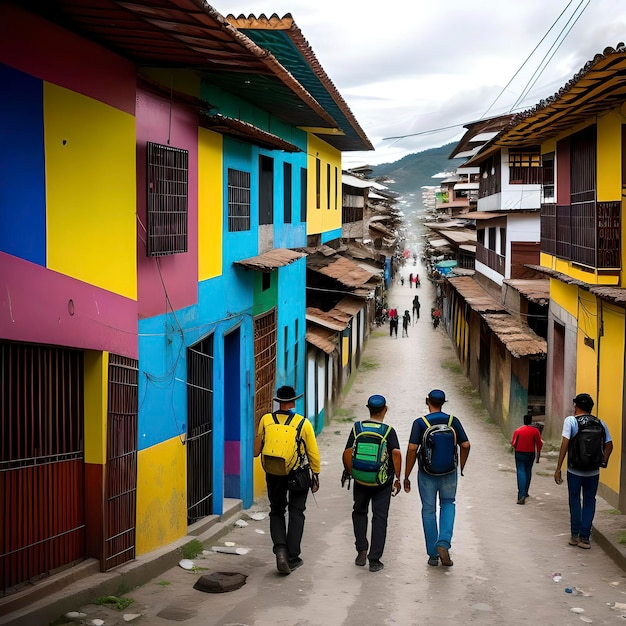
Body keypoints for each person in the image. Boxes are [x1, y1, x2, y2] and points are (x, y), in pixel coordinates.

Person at [254, 386, 321, 574]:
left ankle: (280, 550)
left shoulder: (266, 420)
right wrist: (315, 473)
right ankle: (293, 557)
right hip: (297, 474)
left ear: (278, 401)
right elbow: (313, 453)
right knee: (296, 512)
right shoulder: (303, 423)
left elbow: (256, 451)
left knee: (276, 511)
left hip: (273, 474)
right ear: (293, 402)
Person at [404, 389, 470, 567]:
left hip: (427, 473)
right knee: (448, 503)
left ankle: (433, 555)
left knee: (428, 510)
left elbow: (411, 449)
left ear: (427, 401)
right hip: (449, 471)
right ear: (444, 403)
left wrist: (406, 475)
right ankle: (444, 542)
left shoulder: (420, 423)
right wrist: (461, 466)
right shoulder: (452, 421)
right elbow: (465, 444)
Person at [343, 394, 402, 573]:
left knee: (359, 512)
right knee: (380, 517)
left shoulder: (357, 428)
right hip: (382, 482)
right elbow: (397, 454)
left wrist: (352, 473)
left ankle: (361, 549)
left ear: (368, 408)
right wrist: (398, 478)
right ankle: (375, 560)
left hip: (361, 479)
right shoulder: (388, 431)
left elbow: (346, 452)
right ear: (385, 409)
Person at [554, 393, 613, 549]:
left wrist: (558, 467)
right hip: (593, 472)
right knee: (589, 501)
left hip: (574, 470)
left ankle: (574, 535)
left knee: (574, 500)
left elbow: (565, 444)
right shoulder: (601, 423)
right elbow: (610, 445)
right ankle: (585, 538)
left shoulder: (571, 421)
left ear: (577, 406)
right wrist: (603, 461)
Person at [511, 414, 543, 504]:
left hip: (519, 453)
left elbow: (513, 443)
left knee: (521, 471)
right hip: (530, 454)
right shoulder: (535, 431)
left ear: (524, 420)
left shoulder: (518, 430)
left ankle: (521, 495)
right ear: (531, 421)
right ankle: (525, 492)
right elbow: (539, 444)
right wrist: (538, 456)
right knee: (528, 471)